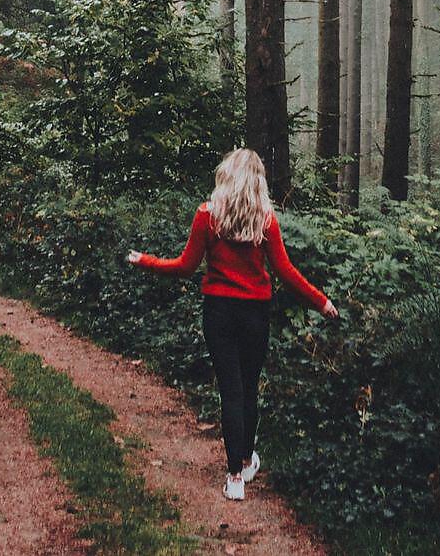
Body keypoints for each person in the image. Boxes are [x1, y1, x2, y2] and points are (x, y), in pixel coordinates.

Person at [126, 147, 339, 501]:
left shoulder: (207, 216)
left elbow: (184, 267)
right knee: (249, 387)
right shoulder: (265, 220)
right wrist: (322, 301)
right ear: (257, 182)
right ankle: (244, 458)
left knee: (230, 389)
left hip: (218, 312)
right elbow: (285, 273)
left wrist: (145, 260)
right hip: (255, 314)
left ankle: (235, 476)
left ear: (226, 176)